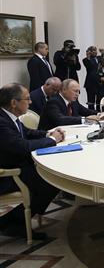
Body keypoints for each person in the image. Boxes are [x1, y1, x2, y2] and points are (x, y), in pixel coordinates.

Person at [0, 83, 65, 240]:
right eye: (27, 99)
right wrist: (51, 140)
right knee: (52, 180)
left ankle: (13, 221)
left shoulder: (9, 117)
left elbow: (27, 132)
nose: (30, 102)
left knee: (52, 177)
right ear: (14, 103)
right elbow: (22, 146)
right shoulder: (1, 122)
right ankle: (13, 223)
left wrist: (48, 133)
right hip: (8, 174)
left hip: (20, 165)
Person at [38, 79, 104, 131]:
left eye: (78, 91)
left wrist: (100, 114)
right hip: (50, 136)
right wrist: (85, 120)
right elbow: (60, 120)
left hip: (69, 132)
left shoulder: (73, 101)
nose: (78, 94)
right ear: (64, 90)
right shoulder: (53, 102)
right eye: (75, 91)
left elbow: (86, 111)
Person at [82, 46, 101, 110]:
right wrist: (88, 57)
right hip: (90, 83)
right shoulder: (85, 60)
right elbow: (89, 67)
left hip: (99, 82)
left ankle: (99, 112)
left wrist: (103, 52)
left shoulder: (99, 58)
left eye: (95, 50)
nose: (94, 52)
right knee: (91, 100)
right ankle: (91, 113)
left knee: (99, 100)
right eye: (92, 50)